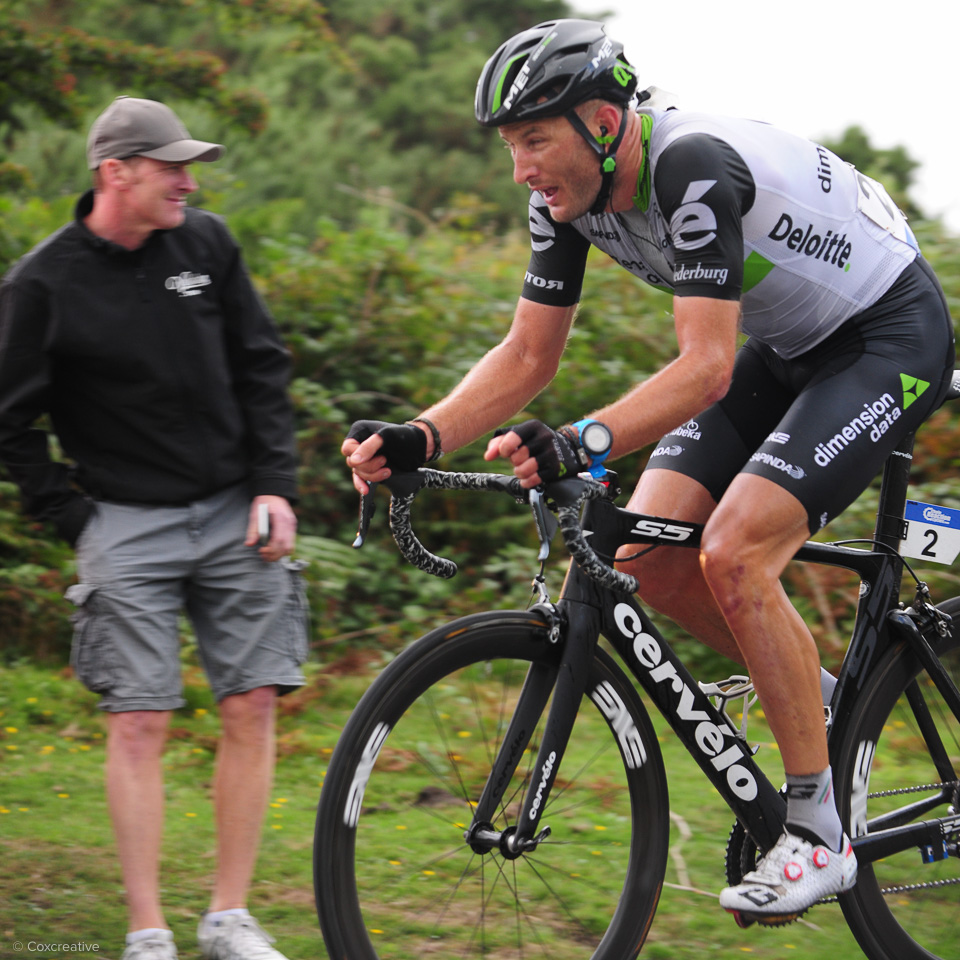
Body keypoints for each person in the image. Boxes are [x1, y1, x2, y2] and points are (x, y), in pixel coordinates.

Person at [342, 19, 956, 923]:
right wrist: (422, 437)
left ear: (601, 122)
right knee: (645, 558)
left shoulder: (689, 166)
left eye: (534, 140)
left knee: (736, 551)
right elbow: (527, 355)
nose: (521, 169)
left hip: (887, 336)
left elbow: (704, 368)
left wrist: (582, 441)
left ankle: (820, 836)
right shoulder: (568, 198)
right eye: (510, 147)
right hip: (787, 348)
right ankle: (826, 708)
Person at [0, 96, 307, 960]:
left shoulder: (207, 245)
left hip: (236, 513)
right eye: (171, 167)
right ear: (116, 172)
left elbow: (262, 367)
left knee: (252, 702)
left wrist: (275, 485)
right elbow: (8, 421)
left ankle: (228, 920)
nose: (188, 182)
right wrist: (75, 521)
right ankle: (148, 932)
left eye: (188, 167)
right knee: (139, 720)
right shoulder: (41, 284)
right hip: (124, 527)